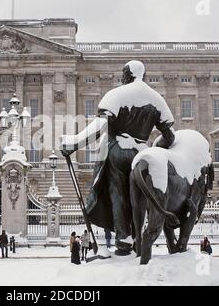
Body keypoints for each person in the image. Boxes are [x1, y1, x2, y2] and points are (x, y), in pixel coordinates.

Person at [61, 60, 175, 256]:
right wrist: (155, 148)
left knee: (118, 194)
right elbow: (169, 136)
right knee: (137, 200)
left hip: (118, 150)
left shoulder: (117, 95)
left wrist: (74, 143)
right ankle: (138, 239)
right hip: (141, 152)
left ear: (127, 75)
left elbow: (100, 126)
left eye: (123, 76)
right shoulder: (157, 99)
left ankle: (123, 240)